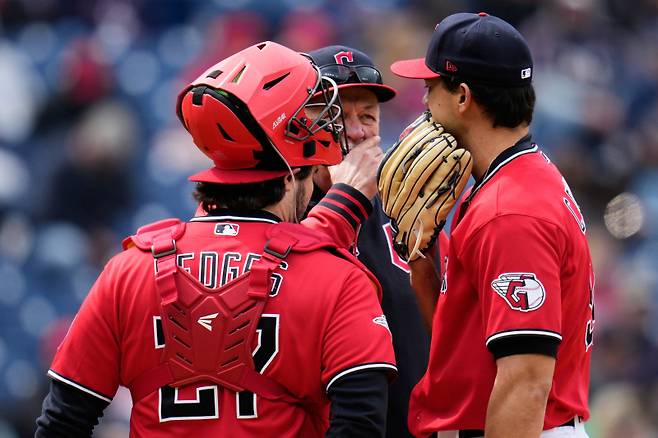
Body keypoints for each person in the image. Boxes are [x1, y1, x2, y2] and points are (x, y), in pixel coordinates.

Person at [35, 41, 397, 437]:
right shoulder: (337, 276)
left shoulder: (129, 268)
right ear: (294, 173)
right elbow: (360, 424)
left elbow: (62, 421)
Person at [390, 12, 594, 438]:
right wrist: (424, 262)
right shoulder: (511, 182)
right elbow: (468, 347)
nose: (425, 105)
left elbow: (526, 382)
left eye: (431, 89)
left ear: (462, 96)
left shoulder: (510, 210)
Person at [306, 45, 437, 438]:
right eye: (338, 115)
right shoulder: (280, 211)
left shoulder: (408, 209)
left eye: (367, 116)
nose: (357, 130)